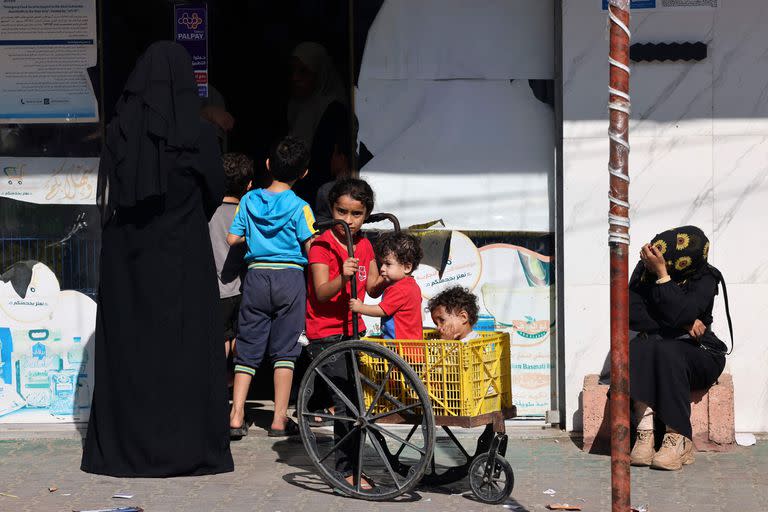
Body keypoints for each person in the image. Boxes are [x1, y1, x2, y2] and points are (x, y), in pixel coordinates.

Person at [82, 41, 233, 477]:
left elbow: (109, 196)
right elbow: (212, 192)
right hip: (181, 259)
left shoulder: (118, 133)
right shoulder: (200, 135)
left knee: (132, 351)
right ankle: (184, 448)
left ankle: (128, 448)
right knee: (183, 350)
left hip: (127, 264)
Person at [227, 136, 316, 438]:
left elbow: (232, 239)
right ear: (303, 173)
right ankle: (279, 419)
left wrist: (253, 236)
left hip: (256, 276)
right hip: (290, 278)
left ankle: (237, 414)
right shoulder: (301, 206)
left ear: (267, 165)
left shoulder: (249, 201)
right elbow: (310, 247)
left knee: (248, 344)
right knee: (285, 350)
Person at [628, 226, 730, 471]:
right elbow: (632, 314)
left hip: (702, 352)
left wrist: (663, 275)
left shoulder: (705, 276)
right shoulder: (645, 271)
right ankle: (645, 432)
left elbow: (685, 309)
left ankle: (678, 438)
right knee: (640, 346)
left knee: (667, 349)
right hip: (659, 349)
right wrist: (683, 322)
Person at [304, 177, 384, 488]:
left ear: (366, 215)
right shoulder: (322, 245)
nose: (348, 221)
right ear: (331, 210)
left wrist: (395, 276)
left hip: (354, 330)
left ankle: (357, 463)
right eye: (342, 212)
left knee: (357, 402)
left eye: (356, 214)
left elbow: (374, 287)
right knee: (346, 403)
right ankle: (344, 469)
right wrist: (343, 276)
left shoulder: (364, 244)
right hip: (326, 334)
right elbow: (322, 292)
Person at [287, 42, 354, 205]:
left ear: (319, 74)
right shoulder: (295, 105)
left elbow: (332, 163)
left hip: (318, 195)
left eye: (304, 72)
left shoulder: (334, 109)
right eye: (293, 71)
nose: (295, 78)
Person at [208, 153, 252, 364]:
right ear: (249, 185)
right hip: (242, 287)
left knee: (221, 339)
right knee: (239, 338)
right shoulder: (247, 213)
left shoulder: (207, 213)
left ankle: (221, 389)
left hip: (216, 290)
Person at [349, 232, 423, 340]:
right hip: (407, 346)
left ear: (407, 267)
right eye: (382, 263)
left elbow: (381, 310)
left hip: (400, 348)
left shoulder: (400, 289)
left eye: (388, 264)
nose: (382, 268)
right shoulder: (411, 285)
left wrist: (360, 307)